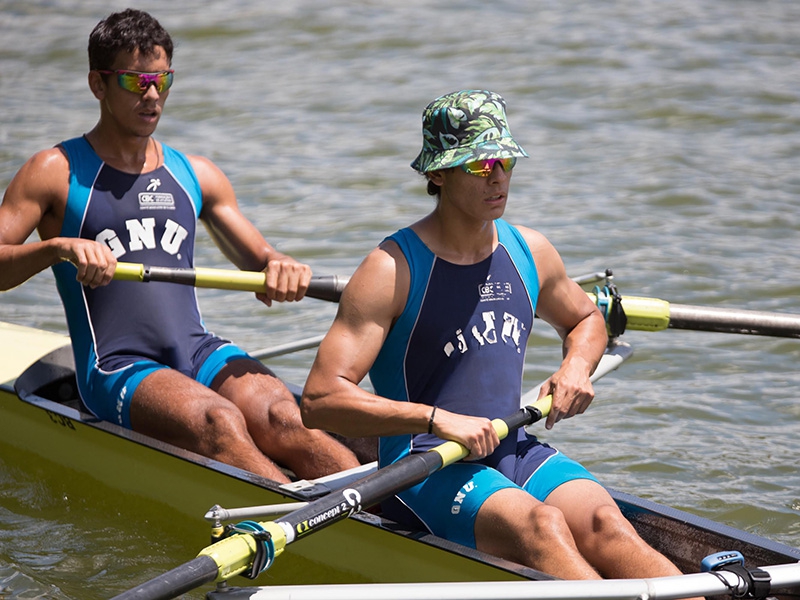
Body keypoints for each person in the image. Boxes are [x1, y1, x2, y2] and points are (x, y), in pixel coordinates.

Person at [300, 89, 699, 585]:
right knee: (544, 526)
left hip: (512, 445)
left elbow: (586, 319)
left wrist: (575, 367)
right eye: (479, 164)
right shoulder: (391, 270)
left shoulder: (528, 250)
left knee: (607, 524)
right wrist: (436, 418)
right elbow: (319, 399)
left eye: (505, 159)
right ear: (438, 173)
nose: (499, 176)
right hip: (425, 465)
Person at [0, 9, 359, 483]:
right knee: (220, 421)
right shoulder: (54, 170)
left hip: (196, 350)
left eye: (163, 80)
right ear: (97, 84)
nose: (152, 95)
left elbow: (263, 261)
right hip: (115, 364)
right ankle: (316, 529)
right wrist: (58, 249)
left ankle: (379, 520)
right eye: (136, 81)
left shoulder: (195, 174)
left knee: (287, 417)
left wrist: (281, 267)